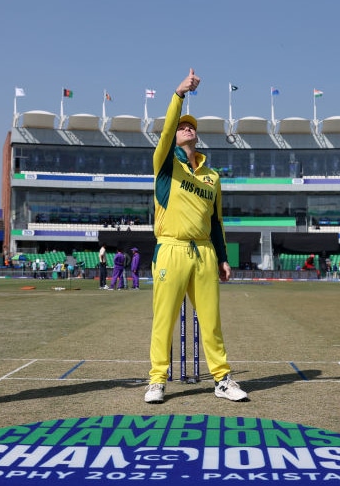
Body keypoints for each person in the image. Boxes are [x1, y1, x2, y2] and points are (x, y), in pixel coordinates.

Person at [144, 69, 248, 403]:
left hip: (204, 252)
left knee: (212, 321)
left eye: (191, 126)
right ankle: (157, 381)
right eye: (180, 126)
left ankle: (222, 379)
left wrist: (223, 257)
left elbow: (216, 222)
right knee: (164, 320)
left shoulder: (212, 177)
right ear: (173, 136)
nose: (185, 127)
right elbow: (166, 130)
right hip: (171, 248)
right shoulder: (164, 164)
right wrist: (179, 94)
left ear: (196, 137)